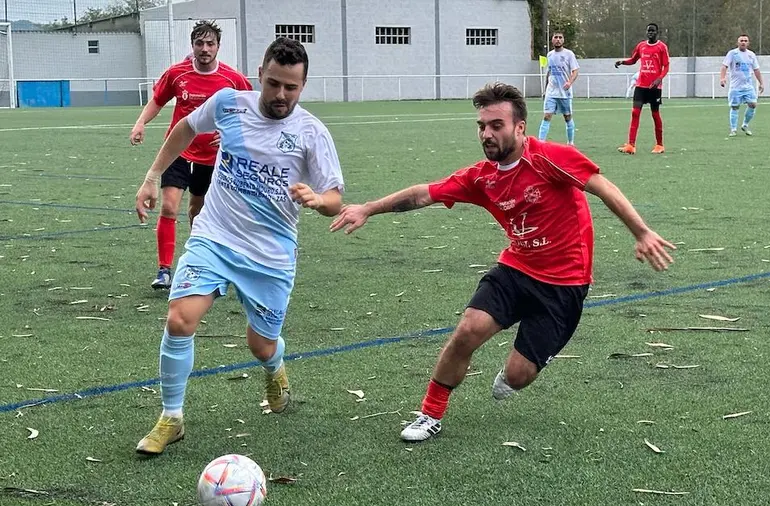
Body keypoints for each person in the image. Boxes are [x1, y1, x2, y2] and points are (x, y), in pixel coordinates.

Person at [330, 82, 675, 443]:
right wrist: (368, 208)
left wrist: (641, 232)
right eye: (482, 126)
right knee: (467, 330)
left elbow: (604, 187)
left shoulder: (549, 158)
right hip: (516, 270)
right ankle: (430, 413)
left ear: (520, 127)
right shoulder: (482, 177)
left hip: (564, 284)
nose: (487, 133)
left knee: (517, 377)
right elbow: (422, 194)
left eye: (496, 125)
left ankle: (526, 364)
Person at [133, 37, 345, 455]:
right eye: (273, 84)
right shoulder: (230, 104)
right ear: (259, 77)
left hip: (270, 254)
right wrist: (153, 175)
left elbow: (335, 197)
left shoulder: (311, 133)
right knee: (179, 320)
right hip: (215, 236)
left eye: (291, 87)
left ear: (302, 87)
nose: (281, 95)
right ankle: (171, 417)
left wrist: (319, 201)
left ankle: (275, 368)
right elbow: (186, 128)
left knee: (260, 345)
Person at [130, 20, 253, 290]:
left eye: (210, 44)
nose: (205, 49)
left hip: (212, 158)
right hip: (178, 153)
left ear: (218, 47)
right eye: (200, 43)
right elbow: (158, 100)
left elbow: (251, 108)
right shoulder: (177, 74)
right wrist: (140, 123)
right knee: (169, 206)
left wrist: (233, 132)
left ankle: (199, 260)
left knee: (198, 212)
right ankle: (163, 270)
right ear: (193, 45)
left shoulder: (232, 79)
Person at [614, 23, 670, 155]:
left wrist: (659, 79)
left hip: (654, 87)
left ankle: (659, 144)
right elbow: (633, 60)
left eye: (653, 31)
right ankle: (631, 145)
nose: (650, 33)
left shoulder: (662, 47)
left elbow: (666, 66)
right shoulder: (641, 46)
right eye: (648, 31)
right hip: (641, 85)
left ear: (657, 32)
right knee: (635, 112)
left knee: (655, 114)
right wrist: (622, 62)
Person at [539, 31, 579, 145]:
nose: (558, 39)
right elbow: (549, 72)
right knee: (547, 116)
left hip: (564, 93)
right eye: (555, 37)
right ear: (552, 40)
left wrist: (569, 82)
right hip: (551, 92)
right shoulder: (550, 55)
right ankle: (540, 143)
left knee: (567, 117)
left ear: (563, 40)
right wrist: (545, 88)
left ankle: (570, 143)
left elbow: (575, 71)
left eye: (560, 37)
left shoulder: (569, 54)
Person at [720, 34, 765, 137]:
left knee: (753, 104)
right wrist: (722, 78)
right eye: (741, 40)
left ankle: (745, 125)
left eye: (745, 40)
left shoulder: (751, 55)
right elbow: (724, 66)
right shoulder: (732, 53)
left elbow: (756, 70)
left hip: (748, 86)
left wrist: (761, 83)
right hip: (735, 87)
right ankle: (733, 129)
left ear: (748, 43)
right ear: (738, 42)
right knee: (735, 107)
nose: (743, 42)